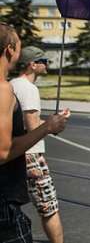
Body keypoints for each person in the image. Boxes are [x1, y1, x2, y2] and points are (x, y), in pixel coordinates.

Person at [0, 24, 69, 243]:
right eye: (19, 46)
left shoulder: (11, 84)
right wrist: (49, 125)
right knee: (48, 207)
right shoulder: (11, 89)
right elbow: (5, 149)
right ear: (10, 49)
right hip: (13, 182)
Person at [10, 47, 63, 243]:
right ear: (32, 65)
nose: (47, 64)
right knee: (49, 207)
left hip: (14, 151)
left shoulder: (12, 84)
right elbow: (33, 126)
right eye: (43, 61)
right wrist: (53, 124)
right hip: (32, 155)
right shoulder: (29, 89)